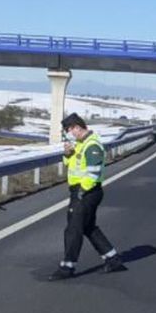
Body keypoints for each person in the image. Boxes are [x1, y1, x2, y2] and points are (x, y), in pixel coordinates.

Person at [51, 113, 125, 280]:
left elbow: (93, 173)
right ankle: (112, 259)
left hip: (86, 192)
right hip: (82, 191)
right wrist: (68, 154)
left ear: (77, 127)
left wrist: (82, 192)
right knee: (88, 227)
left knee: (73, 229)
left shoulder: (92, 145)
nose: (68, 134)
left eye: (69, 130)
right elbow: (72, 164)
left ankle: (67, 266)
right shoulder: (79, 144)